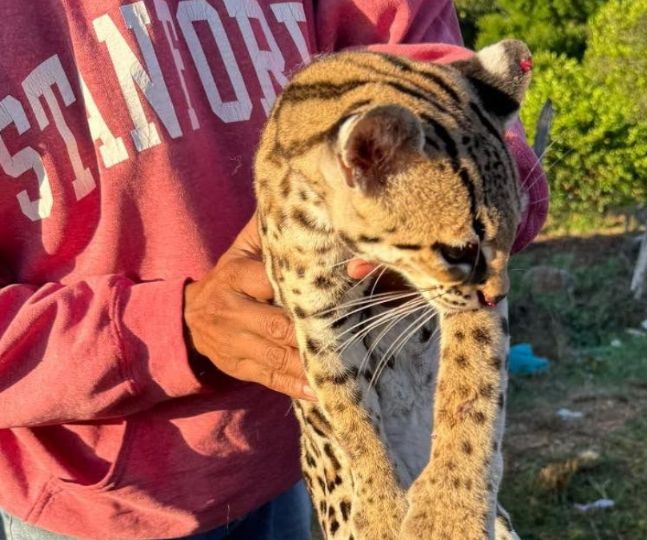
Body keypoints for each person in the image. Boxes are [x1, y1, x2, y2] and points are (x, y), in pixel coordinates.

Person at [0, 2, 548, 539]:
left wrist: (494, 188)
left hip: (286, 457)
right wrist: (169, 329)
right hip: (91, 498)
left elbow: (431, 54)